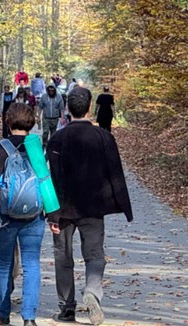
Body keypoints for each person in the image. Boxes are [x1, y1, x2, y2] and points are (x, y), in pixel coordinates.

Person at [45, 86, 133, 325]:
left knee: (63, 257)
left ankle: (66, 308)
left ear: (67, 107)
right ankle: (92, 292)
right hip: (93, 207)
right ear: (90, 106)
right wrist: (122, 204)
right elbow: (115, 172)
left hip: (63, 210)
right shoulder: (104, 137)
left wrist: (52, 213)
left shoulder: (57, 139)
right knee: (94, 256)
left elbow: (50, 179)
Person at [0, 104, 45, 326]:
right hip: (34, 215)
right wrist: (53, 213)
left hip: (5, 216)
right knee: (31, 264)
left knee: (4, 263)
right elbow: (45, 181)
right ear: (32, 122)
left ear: (8, 121)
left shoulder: (0, 148)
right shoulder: (38, 147)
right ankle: (29, 317)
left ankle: (3, 312)